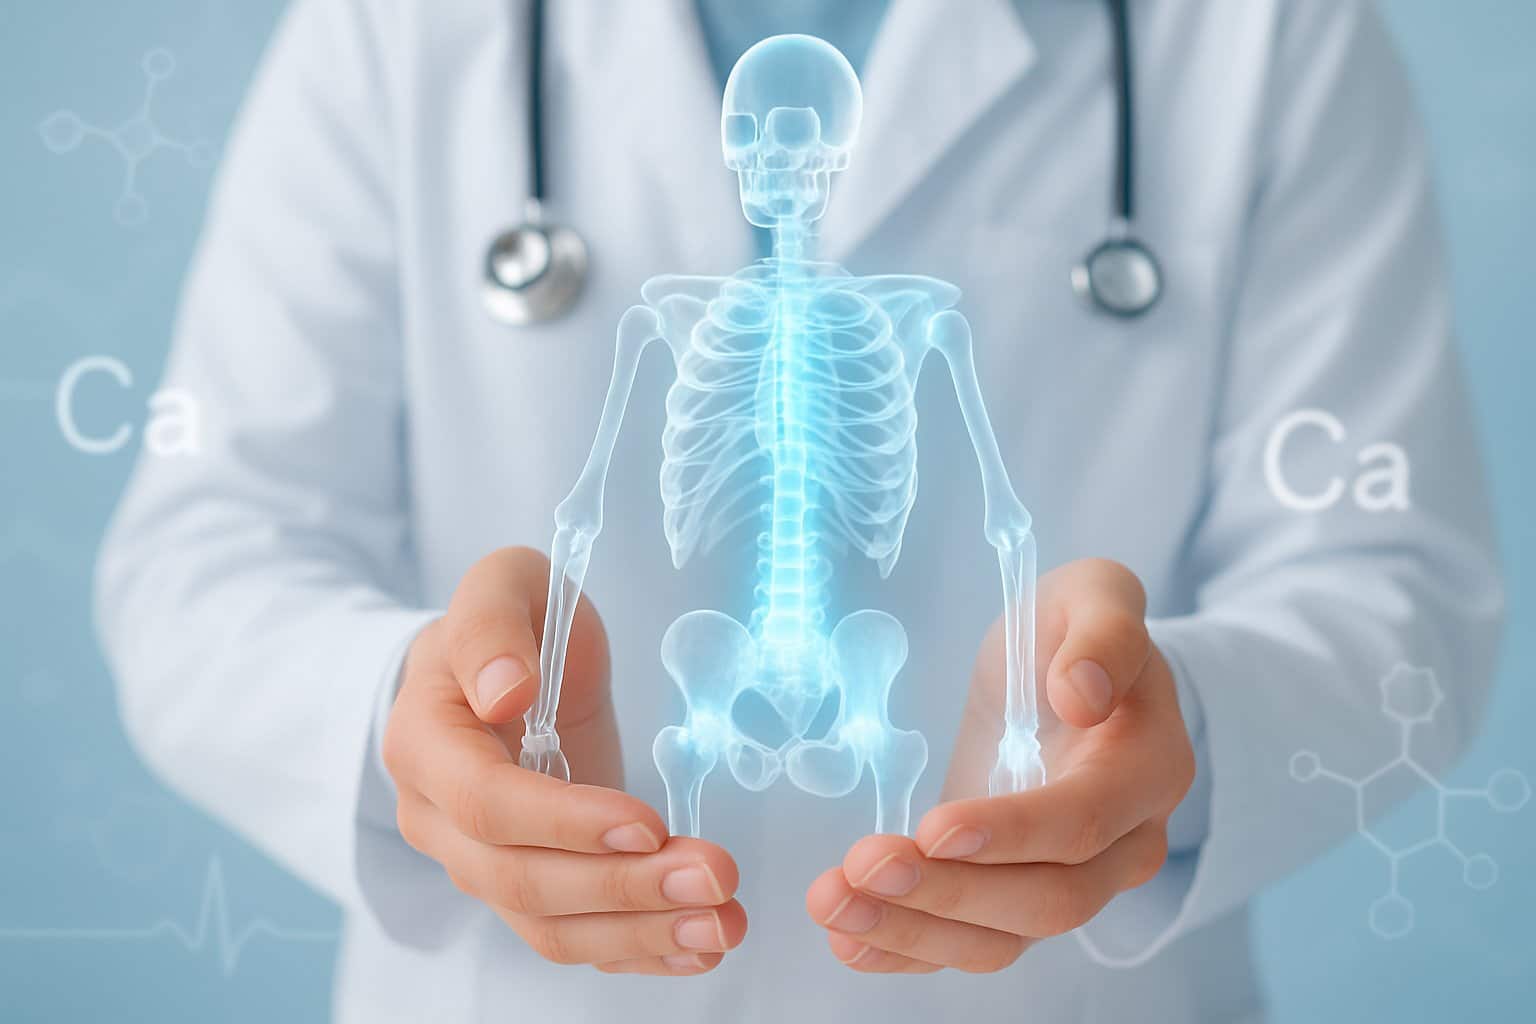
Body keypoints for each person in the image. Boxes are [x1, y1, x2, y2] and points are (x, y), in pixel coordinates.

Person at [95, 1, 1502, 1021]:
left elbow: (1396, 593)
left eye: (799, 146)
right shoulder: (393, 33)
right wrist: (415, 714)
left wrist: (1163, 721)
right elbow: (206, 555)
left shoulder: (1262, 36)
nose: (787, 170)